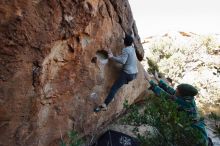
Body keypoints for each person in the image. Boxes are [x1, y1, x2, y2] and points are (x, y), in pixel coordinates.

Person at [144, 71, 209, 146]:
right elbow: (172, 91)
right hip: (196, 129)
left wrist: (150, 81)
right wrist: (158, 79)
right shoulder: (188, 97)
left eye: (177, 91)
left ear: (182, 94)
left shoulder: (185, 103)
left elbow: (166, 96)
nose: (175, 91)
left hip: (197, 134)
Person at [94, 35, 138, 112]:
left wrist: (112, 57)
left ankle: (105, 105)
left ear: (124, 42)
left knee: (114, 88)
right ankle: (112, 97)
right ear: (131, 43)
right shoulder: (133, 48)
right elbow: (124, 57)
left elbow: (122, 61)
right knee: (117, 84)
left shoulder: (126, 50)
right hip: (134, 74)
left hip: (127, 74)